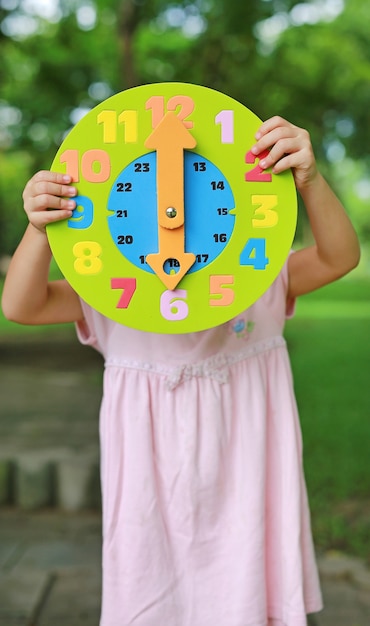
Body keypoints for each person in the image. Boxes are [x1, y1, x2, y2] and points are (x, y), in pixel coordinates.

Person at [2, 116, 360, 626]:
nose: (175, 213)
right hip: (153, 499)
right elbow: (21, 305)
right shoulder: (111, 291)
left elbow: (340, 255)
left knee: (248, 599)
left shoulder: (258, 272)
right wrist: (39, 228)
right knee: (153, 599)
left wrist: (310, 181)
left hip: (246, 483)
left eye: (201, 195)